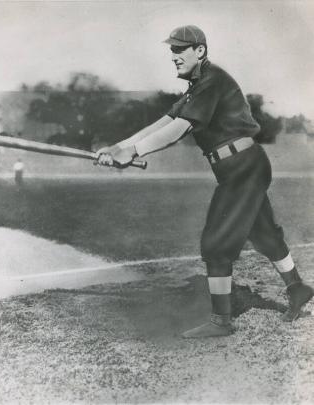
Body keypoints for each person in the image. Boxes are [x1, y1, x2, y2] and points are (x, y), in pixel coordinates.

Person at [95, 25, 313, 338]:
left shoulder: (212, 81)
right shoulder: (197, 86)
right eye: (172, 49)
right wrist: (119, 147)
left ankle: (221, 322)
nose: (174, 56)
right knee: (264, 233)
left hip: (242, 167)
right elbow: (165, 121)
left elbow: (179, 129)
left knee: (215, 243)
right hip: (240, 166)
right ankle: (297, 288)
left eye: (180, 49)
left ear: (200, 51)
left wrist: (134, 150)